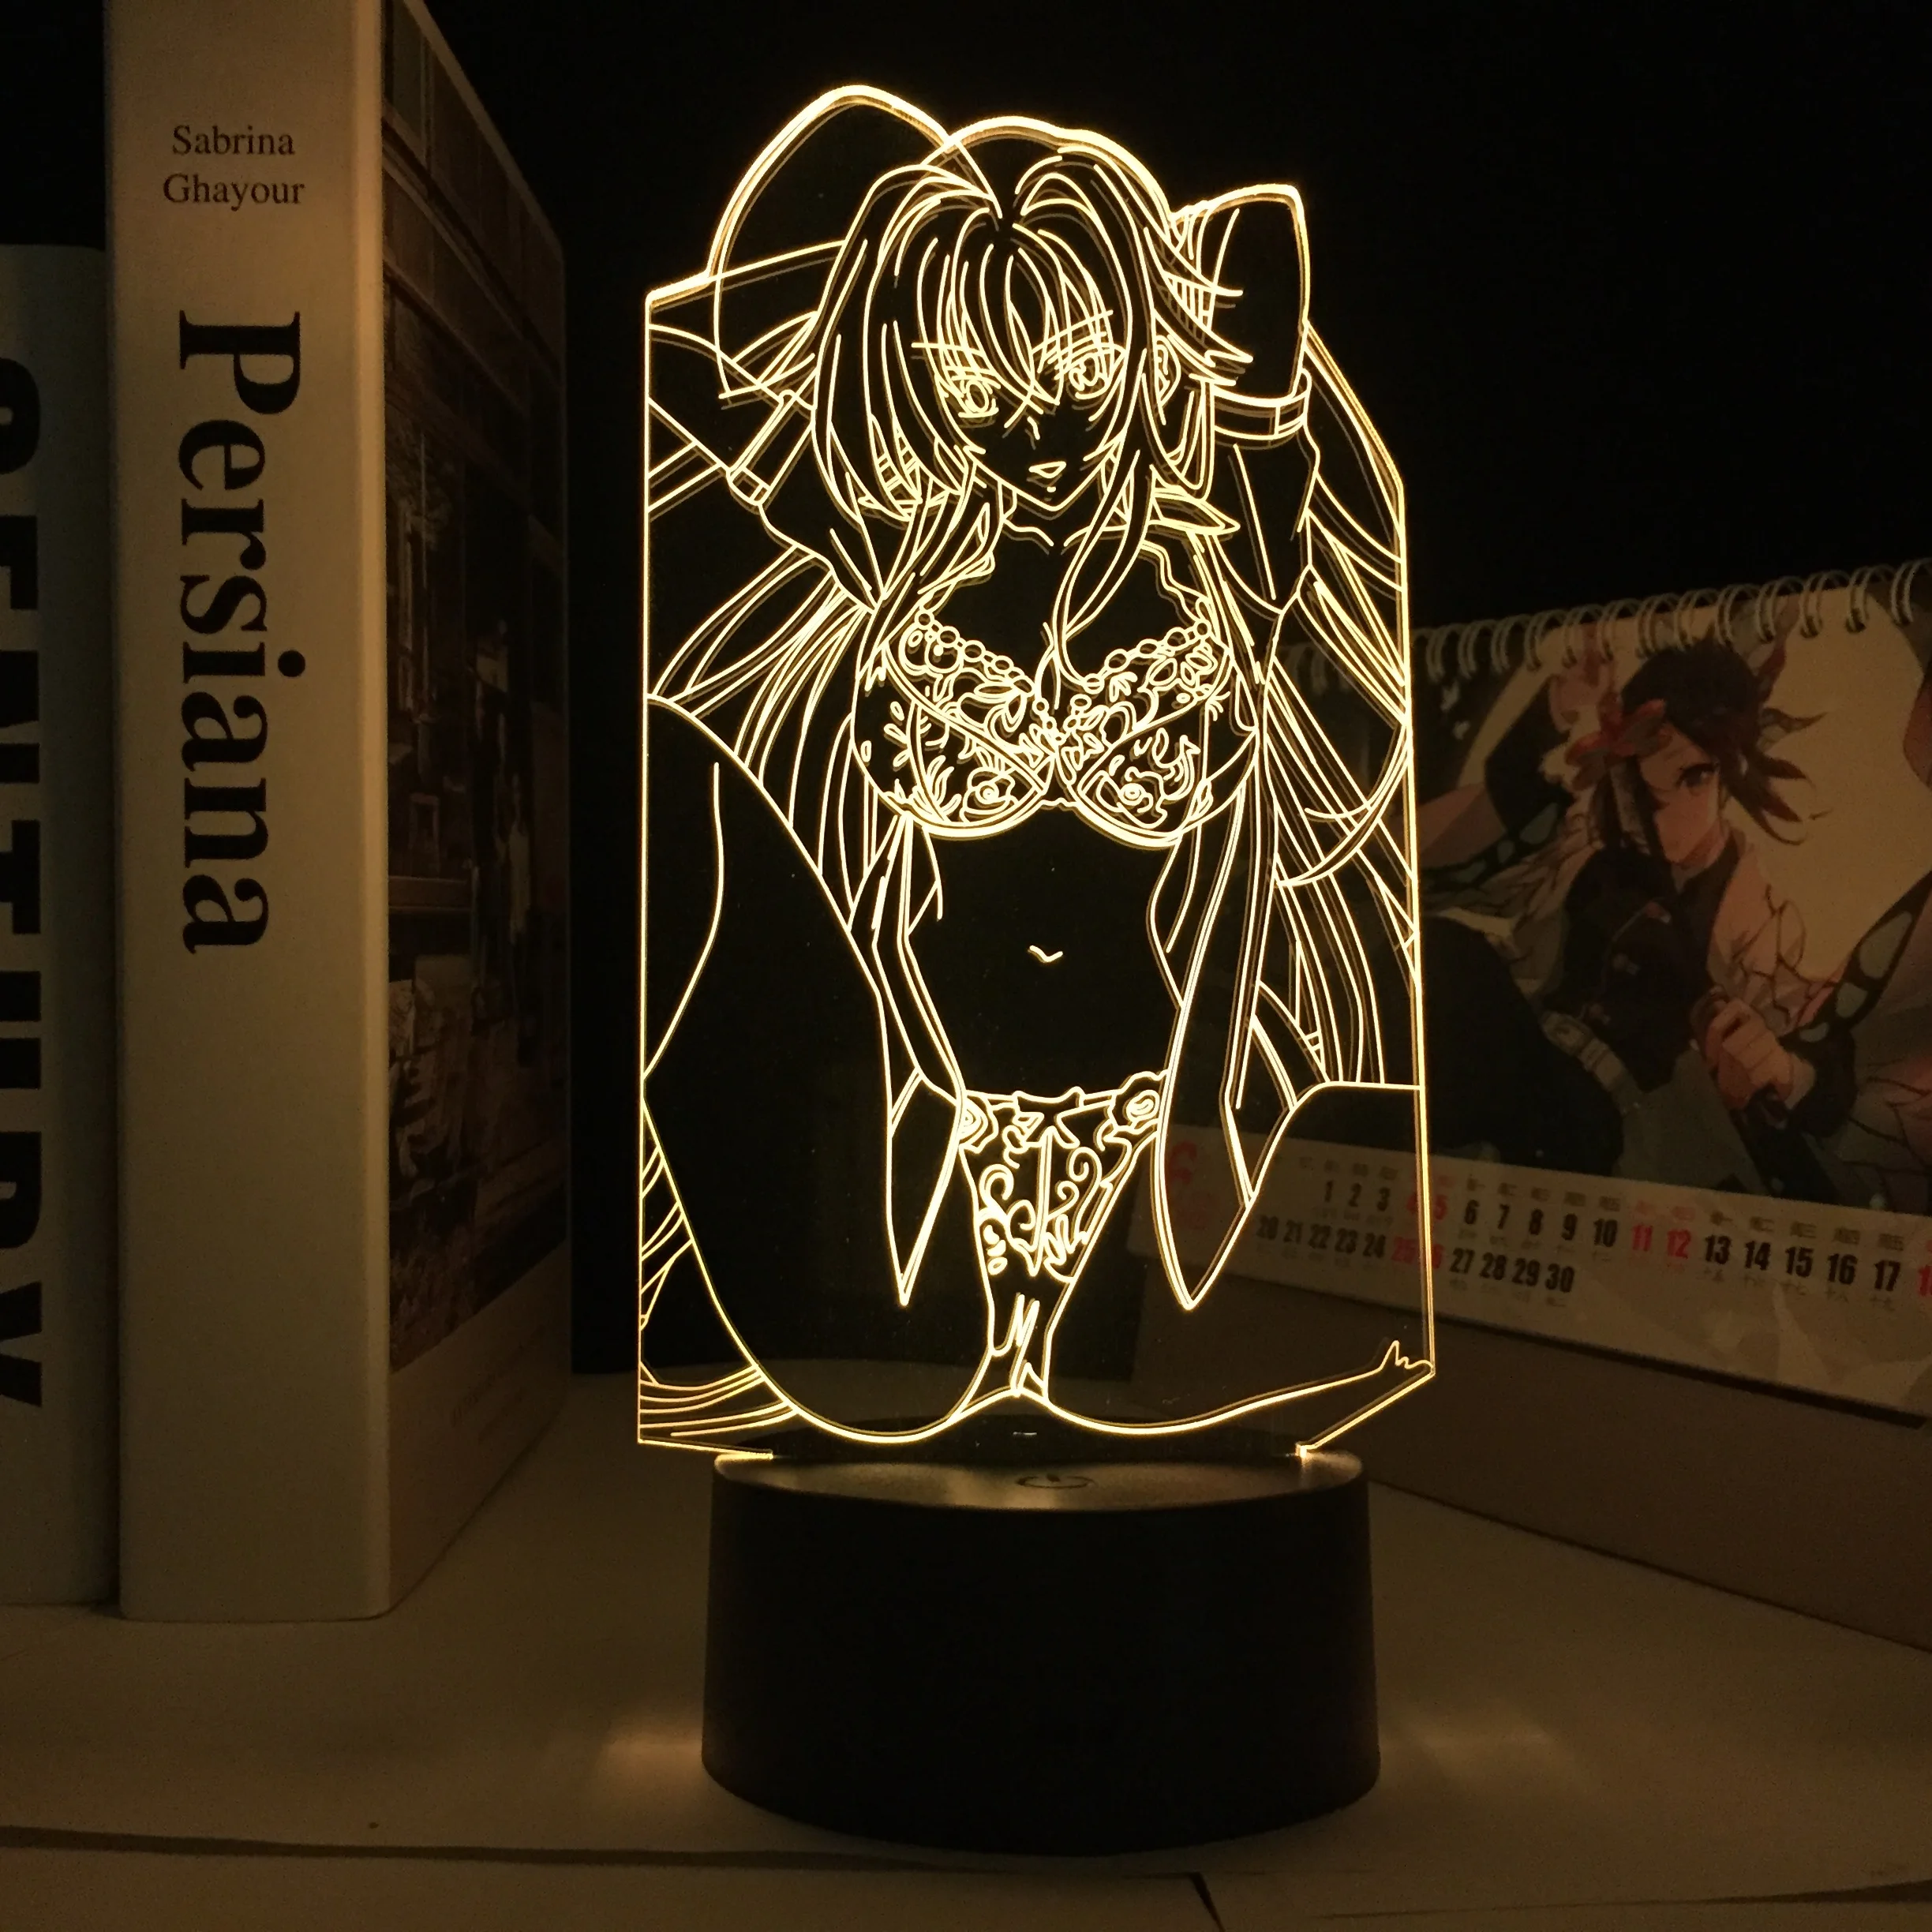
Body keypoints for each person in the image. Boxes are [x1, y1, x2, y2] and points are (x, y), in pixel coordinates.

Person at [642, 92, 1428, 1440]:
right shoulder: (899, 555)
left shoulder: (1226, 549)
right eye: (978, 389)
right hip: (940, 1081)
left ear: (1133, 348)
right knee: (909, 1385)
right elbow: (676, 358)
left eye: (1075, 366)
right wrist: (888, 252)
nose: (1037, 429)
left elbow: (1266, 241)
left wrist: (1105, 249)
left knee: (1137, 1391)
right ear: (918, 386)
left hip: (1154, 1086)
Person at [1420, 633, 1849, 1196]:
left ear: (1725, 774)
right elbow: (1441, 853)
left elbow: (1826, 1068)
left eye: (1692, 779)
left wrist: (1783, 1071)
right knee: (1441, 955)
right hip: (1513, 1074)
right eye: (1635, 784)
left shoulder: (1755, 920)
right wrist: (1553, 714)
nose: (1653, 813)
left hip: (1608, 1134)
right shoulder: (1590, 845)